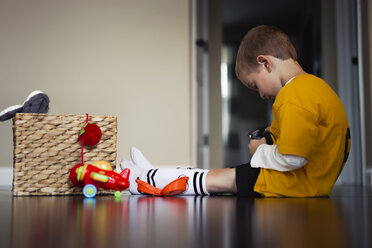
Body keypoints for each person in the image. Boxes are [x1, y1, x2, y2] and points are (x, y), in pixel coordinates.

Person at [121, 25, 351, 197]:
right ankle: (151, 173)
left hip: (289, 185)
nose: (261, 94)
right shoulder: (317, 88)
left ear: (265, 63)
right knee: (209, 174)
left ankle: (138, 180)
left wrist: (260, 150)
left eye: (254, 84)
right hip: (308, 186)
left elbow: (294, 157)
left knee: (208, 179)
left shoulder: (294, 95)